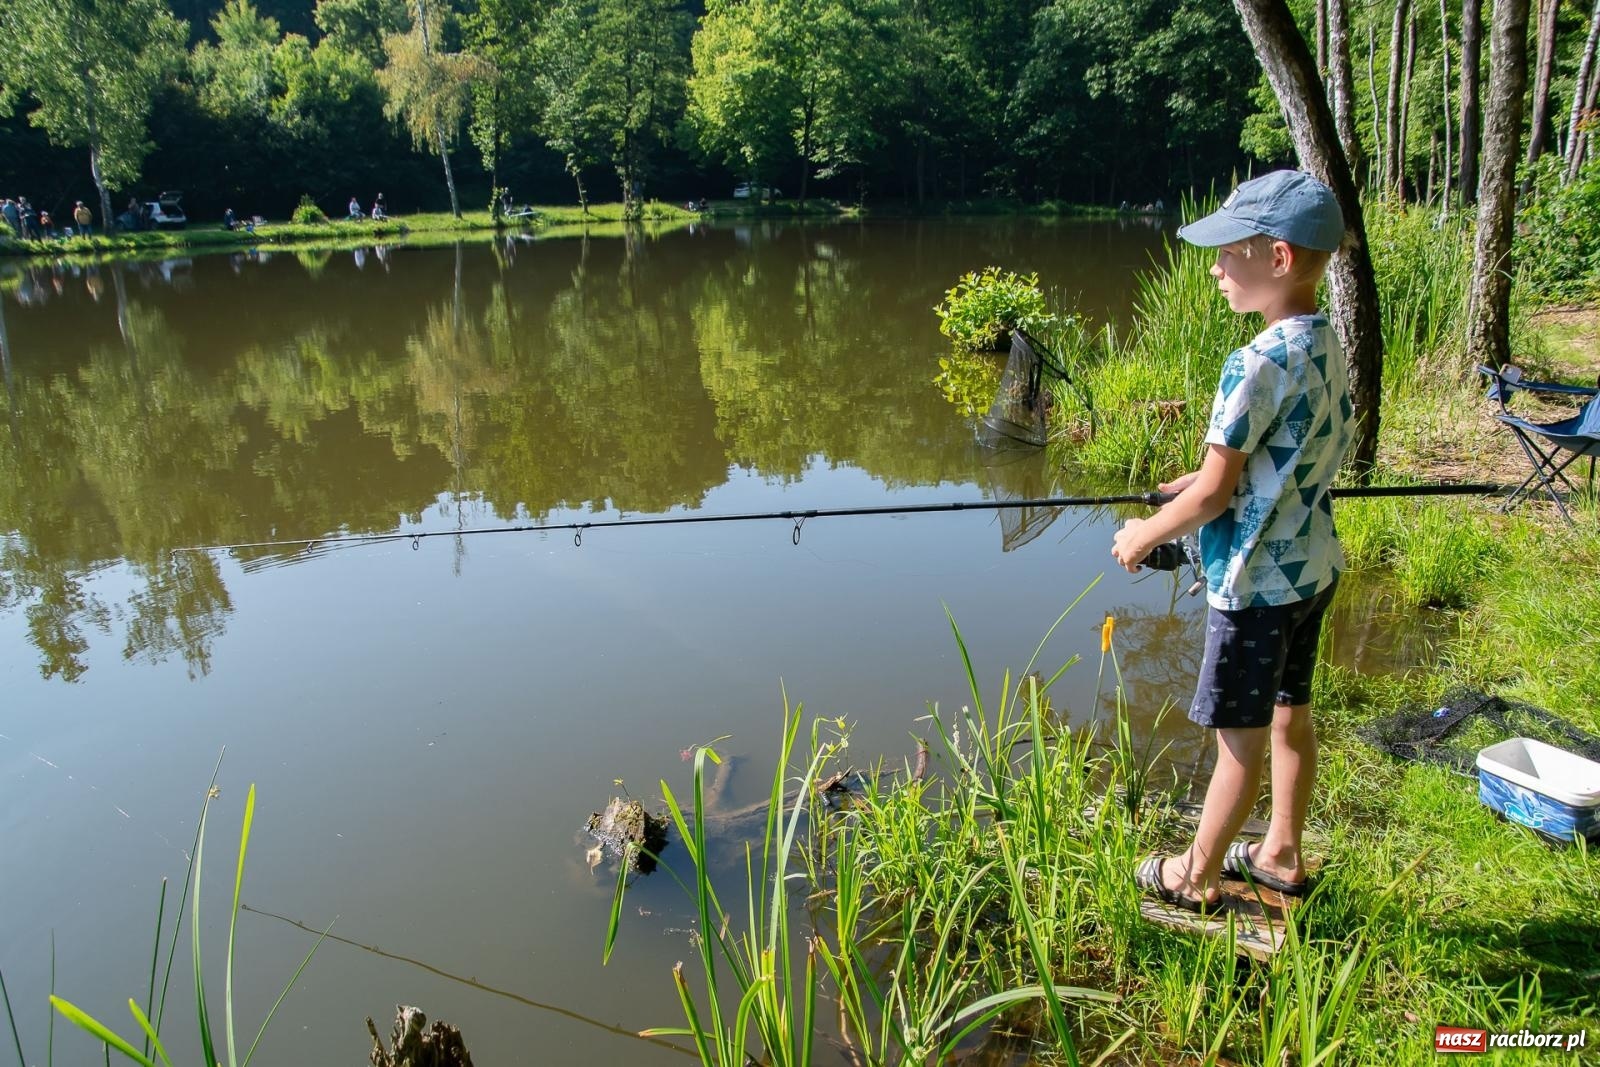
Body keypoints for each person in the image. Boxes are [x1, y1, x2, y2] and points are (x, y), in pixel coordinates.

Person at [1111, 170, 1353, 914]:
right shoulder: (1325, 343)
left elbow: (1215, 497)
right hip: (1311, 569)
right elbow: (1275, 457)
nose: (1215, 267)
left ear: (1278, 258)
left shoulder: (1253, 363)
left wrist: (1143, 533)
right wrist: (1197, 482)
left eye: (1227, 253)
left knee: (1237, 743)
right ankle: (1280, 853)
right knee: (1290, 716)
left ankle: (1194, 876)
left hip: (1253, 588)